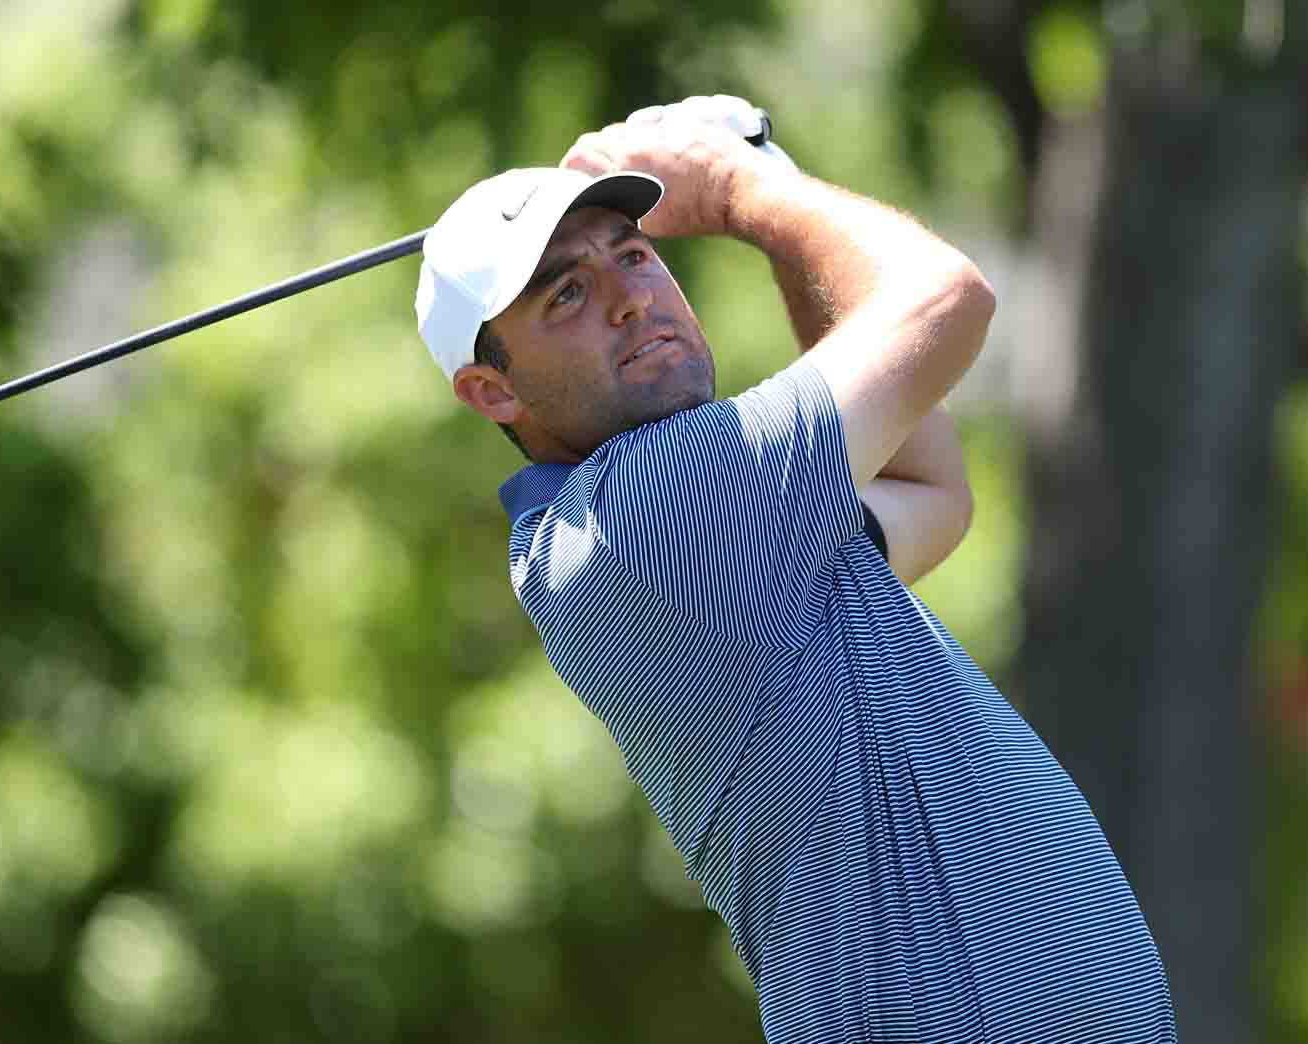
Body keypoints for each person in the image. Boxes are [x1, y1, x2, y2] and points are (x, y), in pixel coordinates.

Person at [414, 95, 1177, 1042]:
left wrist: (771, 188)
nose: (630, 298)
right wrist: (743, 188)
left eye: (635, 254)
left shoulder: (714, 526)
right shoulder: (648, 514)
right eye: (565, 294)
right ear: (492, 390)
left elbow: (928, 493)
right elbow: (947, 299)